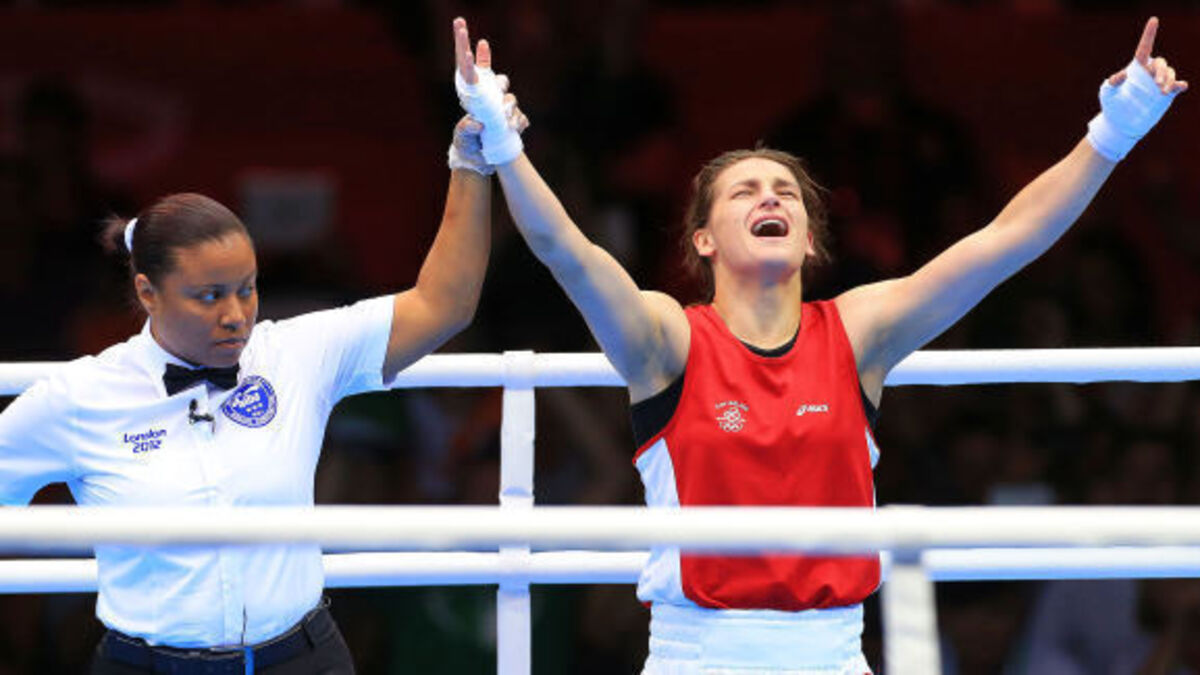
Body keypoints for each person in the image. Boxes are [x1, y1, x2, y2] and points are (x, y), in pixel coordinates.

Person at [452, 16, 1186, 674]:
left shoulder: (859, 331)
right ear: (703, 240)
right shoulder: (669, 339)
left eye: (785, 191)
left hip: (834, 653)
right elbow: (570, 252)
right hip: (698, 655)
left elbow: (1006, 240)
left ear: (809, 239)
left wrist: (1112, 133)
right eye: (744, 191)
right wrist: (504, 142)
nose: (769, 196)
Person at [0, 32, 526, 674]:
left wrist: (470, 159)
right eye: (209, 296)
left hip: (300, 658)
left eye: (247, 289)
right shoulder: (80, 397)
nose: (235, 314)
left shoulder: (296, 353)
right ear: (147, 293)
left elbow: (444, 304)